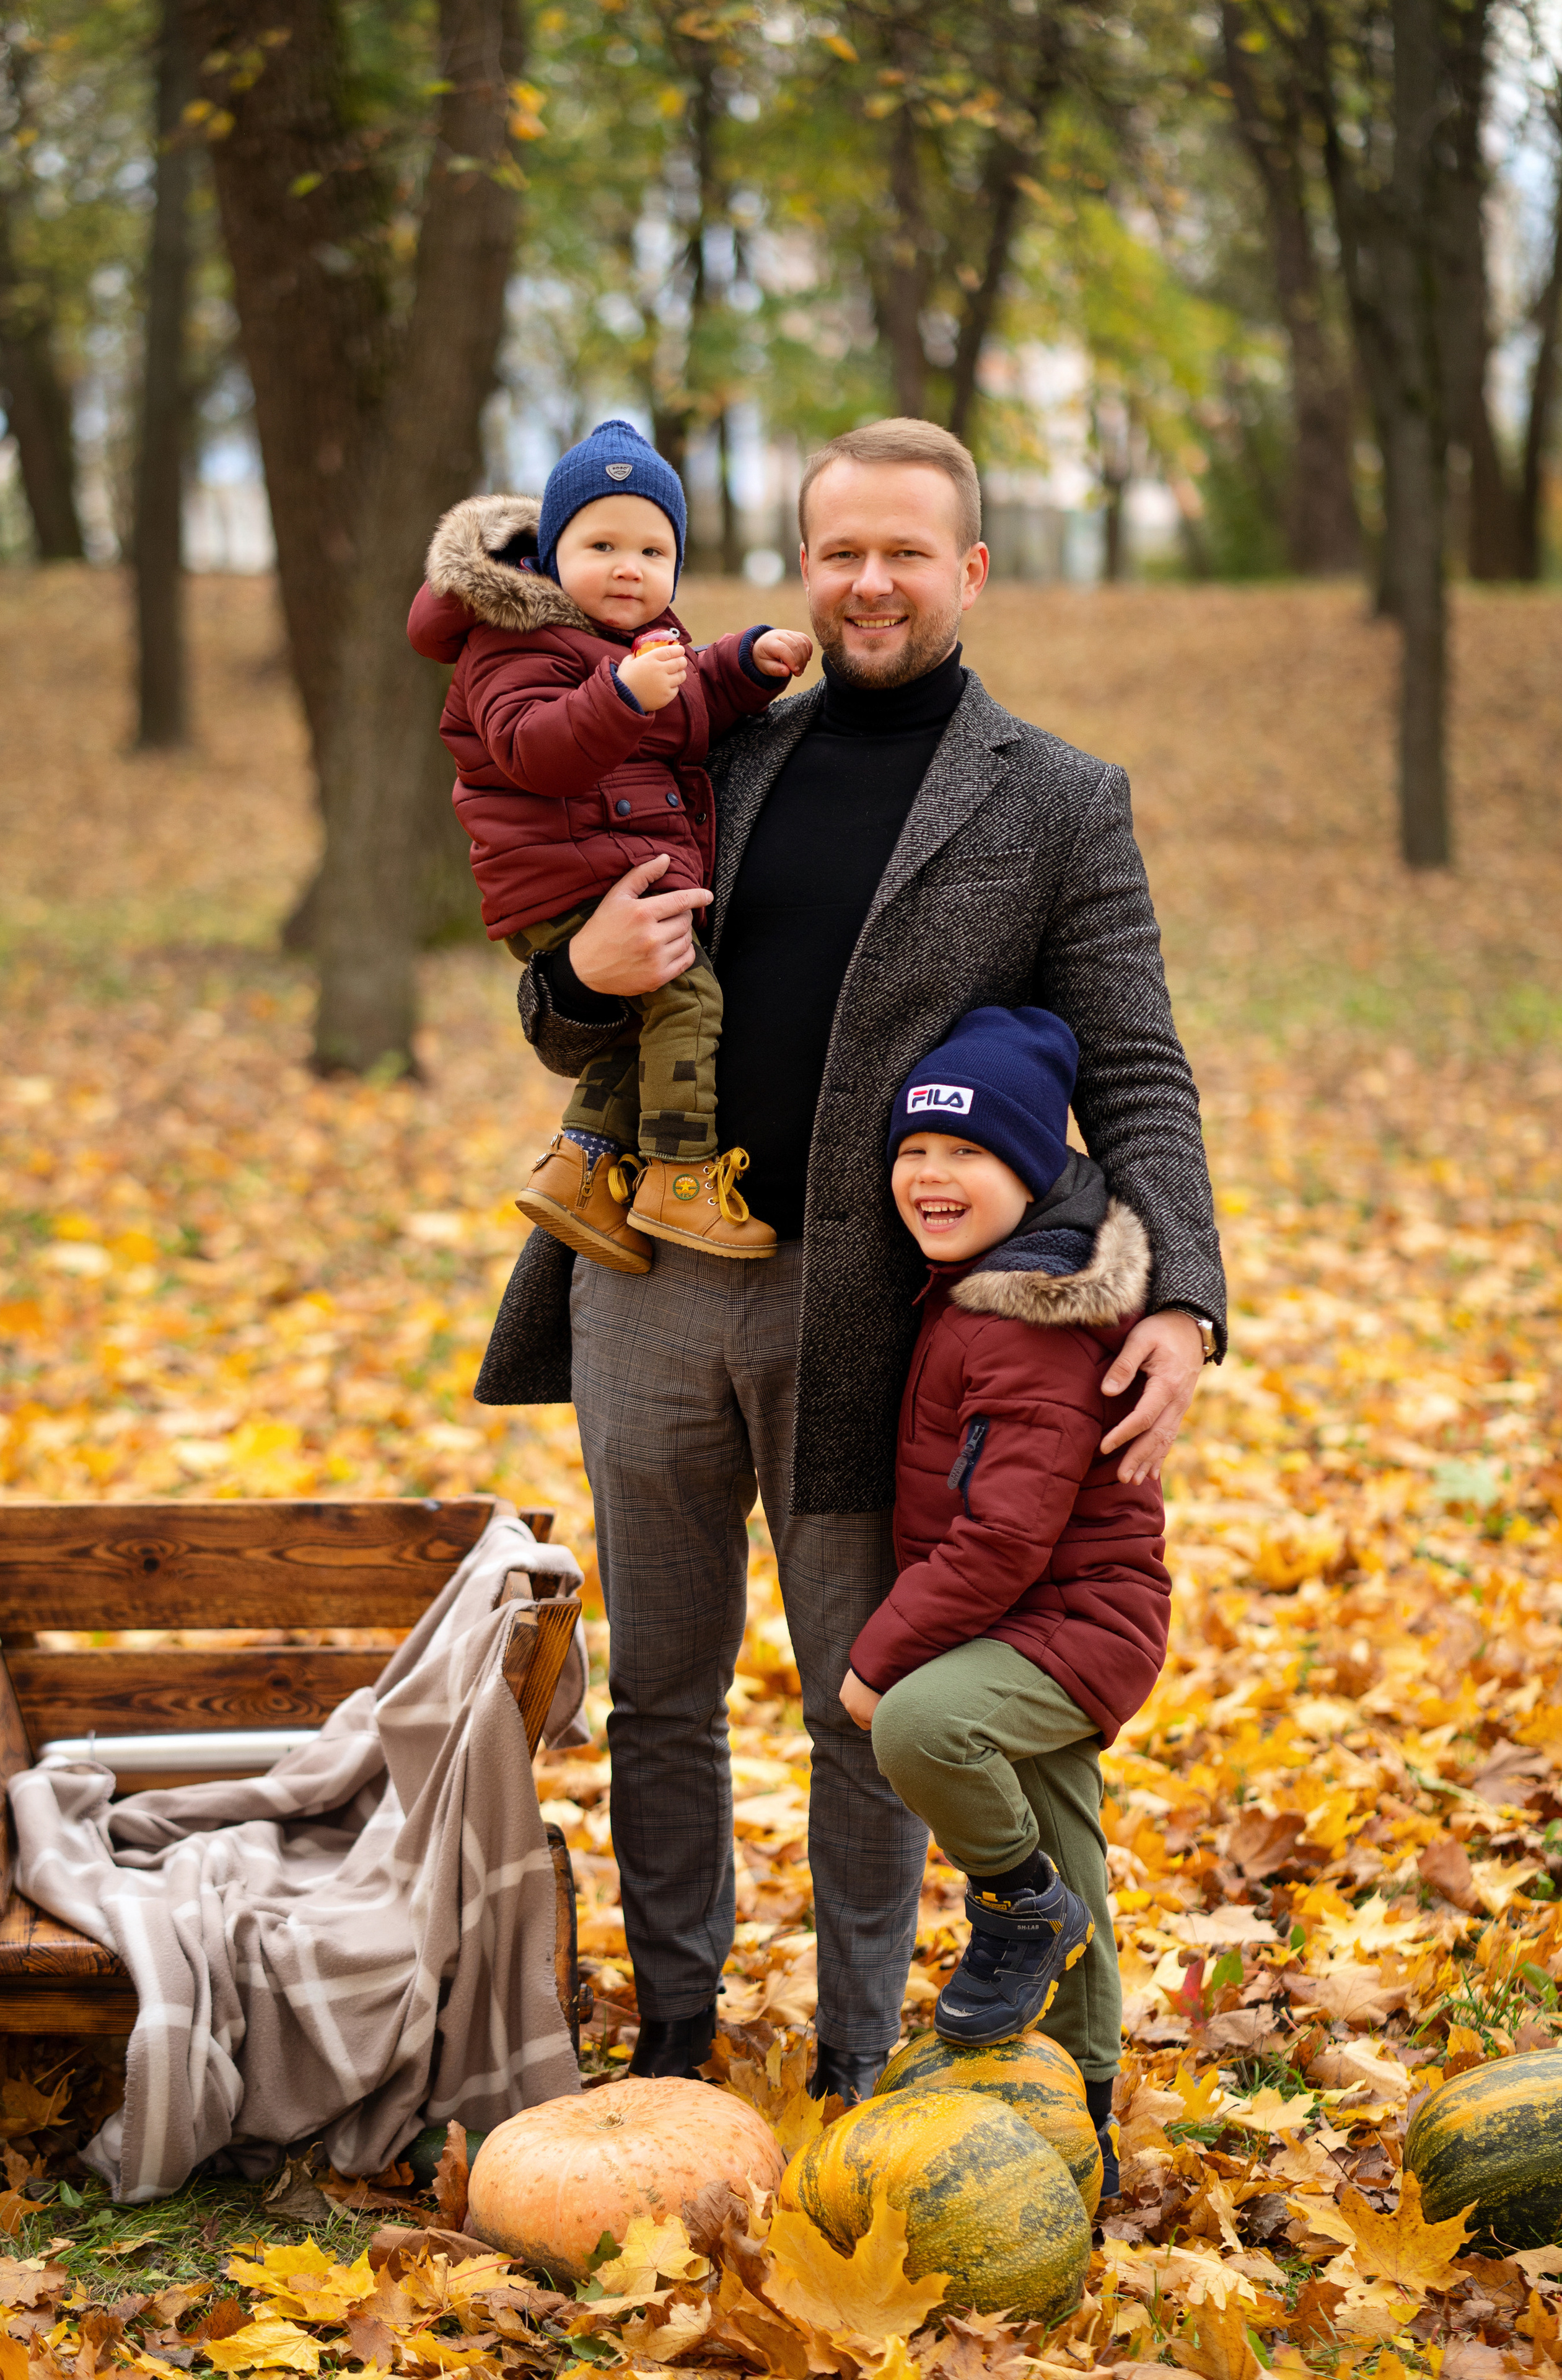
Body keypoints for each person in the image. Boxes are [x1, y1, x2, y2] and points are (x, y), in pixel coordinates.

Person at [475, 416, 1226, 2106]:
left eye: (905, 552)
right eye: (839, 552)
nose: (868, 581)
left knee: (861, 1697)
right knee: (660, 1691)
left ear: (967, 567)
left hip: (876, 1320)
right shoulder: (713, 753)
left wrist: (1181, 1289)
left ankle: (856, 2056)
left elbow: (1139, 1065)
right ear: (800, 565)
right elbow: (556, 1003)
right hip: (650, 1282)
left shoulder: (1058, 803)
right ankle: (673, 2038)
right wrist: (586, 970)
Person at [838, 1004, 1171, 2197]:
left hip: (1075, 1618)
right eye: (914, 1151)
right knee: (1069, 1841)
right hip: (1038, 1610)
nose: (932, 1176)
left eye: (969, 1153)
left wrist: (878, 1660)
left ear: (1031, 1169)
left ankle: (1017, 1906)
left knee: (922, 1722)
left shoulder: (1030, 1322)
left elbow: (1009, 1534)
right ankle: (1082, 2120)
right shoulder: (988, 1278)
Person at [407, 417, 812, 1266]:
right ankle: (678, 1175)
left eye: (654, 552)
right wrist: (621, 697)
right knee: (689, 1002)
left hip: (600, 865)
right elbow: (532, 750)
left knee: (646, 1027)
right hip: (561, 877)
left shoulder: (636, 645)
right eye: (601, 544)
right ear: (551, 553)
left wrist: (743, 662)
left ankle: (578, 1175)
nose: (630, 568)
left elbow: (692, 696)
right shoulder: (511, 642)